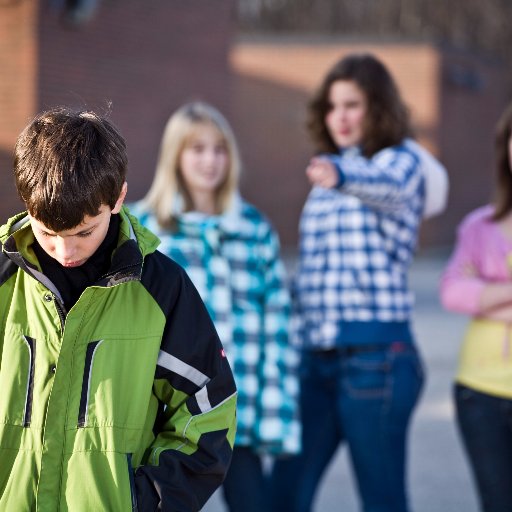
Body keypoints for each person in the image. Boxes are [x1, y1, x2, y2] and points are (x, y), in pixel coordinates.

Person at [0, 107, 237, 511]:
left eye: (83, 232)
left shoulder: (162, 287)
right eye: (47, 233)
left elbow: (208, 408)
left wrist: (141, 500)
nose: (65, 251)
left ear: (118, 198)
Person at [270, 53, 448, 512]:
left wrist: (343, 174)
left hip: (377, 360)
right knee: (284, 494)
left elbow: (384, 184)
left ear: (378, 107)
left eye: (352, 104)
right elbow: (315, 271)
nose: (340, 117)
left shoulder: (403, 161)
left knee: (382, 500)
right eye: (333, 107)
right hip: (316, 358)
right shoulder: (330, 173)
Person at [129, 101, 300, 512]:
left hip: (236, 410)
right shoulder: (143, 229)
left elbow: (278, 326)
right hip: (170, 414)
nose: (211, 160)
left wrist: (275, 417)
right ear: (175, 155)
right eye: (197, 149)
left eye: (220, 149)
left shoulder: (254, 229)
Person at [440, 101, 512, 512]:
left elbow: (469, 292)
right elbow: (452, 292)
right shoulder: (479, 227)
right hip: (480, 393)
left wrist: (486, 293)